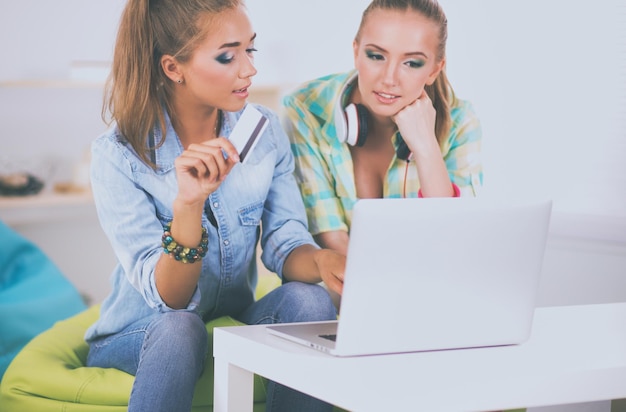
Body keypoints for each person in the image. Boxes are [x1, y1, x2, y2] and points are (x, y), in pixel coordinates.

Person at [84, 1, 344, 411]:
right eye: (227, 56)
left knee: (311, 301)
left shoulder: (263, 131)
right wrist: (189, 204)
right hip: (146, 329)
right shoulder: (118, 157)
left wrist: (324, 261)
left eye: (250, 50)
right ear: (173, 68)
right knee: (180, 328)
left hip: (231, 318)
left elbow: (284, 241)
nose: (249, 70)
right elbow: (169, 299)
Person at [282, 0, 483, 259]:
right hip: (342, 286)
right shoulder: (306, 108)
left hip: (427, 278)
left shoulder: (461, 121)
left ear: (434, 69)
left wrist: (425, 147)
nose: (389, 79)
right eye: (376, 56)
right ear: (356, 52)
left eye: (411, 63)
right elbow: (330, 238)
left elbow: (452, 240)